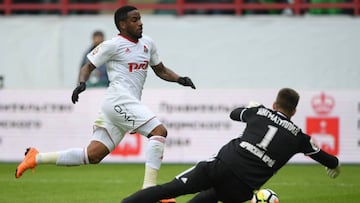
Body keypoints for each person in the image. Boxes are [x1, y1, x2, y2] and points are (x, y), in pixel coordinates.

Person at [15, 5, 196, 203]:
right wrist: (81, 83)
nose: (140, 23)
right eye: (135, 20)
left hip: (123, 105)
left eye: (140, 19)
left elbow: (160, 70)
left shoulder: (148, 44)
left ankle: (36, 157)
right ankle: (149, 191)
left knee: (92, 155)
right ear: (123, 24)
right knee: (159, 132)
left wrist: (180, 79)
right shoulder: (112, 45)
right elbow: (88, 66)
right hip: (118, 100)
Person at [120, 88, 340, 203]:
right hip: (242, 187)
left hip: (221, 165)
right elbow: (326, 158)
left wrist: (251, 108)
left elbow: (234, 114)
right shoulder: (299, 137)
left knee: (168, 189)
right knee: (212, 195)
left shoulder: (260, 111)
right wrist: (334, 165)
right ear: (294, 111)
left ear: (275, 104)